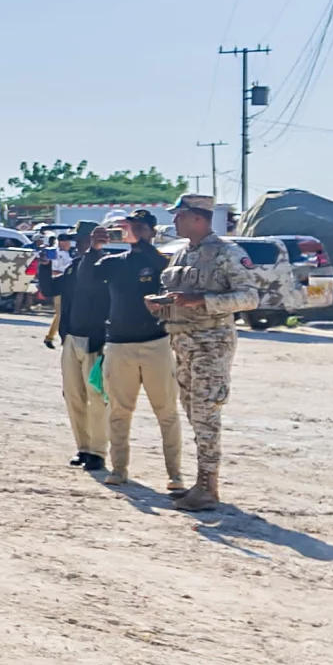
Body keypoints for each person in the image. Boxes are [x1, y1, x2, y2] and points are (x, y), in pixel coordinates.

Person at [151, 193, 259, 509]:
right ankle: (201, 483)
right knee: (193, 413)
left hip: (211, 344)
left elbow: (250, 298)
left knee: (206, 412)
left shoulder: (227, 253)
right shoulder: (182, 254)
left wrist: (204, 301)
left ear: (198, 218)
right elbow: (177, 293)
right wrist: (161, 304)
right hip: (182, 343)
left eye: (180, 215)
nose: (174, 221)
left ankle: (208, 488)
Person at [96, 209, 183, 491]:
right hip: (119, 344)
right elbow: (89, 278)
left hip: (154, 342)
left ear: (152, 231)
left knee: (166, 411)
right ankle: (119, 468)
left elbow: (161, 268)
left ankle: (175, 474)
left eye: (140, 227)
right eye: (129, 226)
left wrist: (143, 243)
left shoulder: (160, 261)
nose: (132, 230)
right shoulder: (114, 262)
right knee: (119, 411)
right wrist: (93, 248)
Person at [36, 222, 110, 470]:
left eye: (81, 239)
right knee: (73, 396)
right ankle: (84, 448)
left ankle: (98, 451)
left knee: (97, 397)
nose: (77, 244)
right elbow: (48, 290)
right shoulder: (74, 267)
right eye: (76, 240)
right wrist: (44, 267)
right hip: (71, 340)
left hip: (95, 340)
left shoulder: (105, 266)